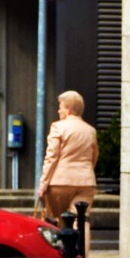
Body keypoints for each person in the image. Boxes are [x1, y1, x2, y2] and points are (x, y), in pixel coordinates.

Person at [36, 90, 98, 228]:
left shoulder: (58, 127)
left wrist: (43, 184)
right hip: (86, 182)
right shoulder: (90, 130)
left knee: (59, 221)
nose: (58, 111)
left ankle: (63, 249)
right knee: (82, 220)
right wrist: (86, 171)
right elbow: (94, 156)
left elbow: (51, 157)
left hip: (60, 182)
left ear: (69, 110)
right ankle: (81, 250)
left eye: (61, 107)